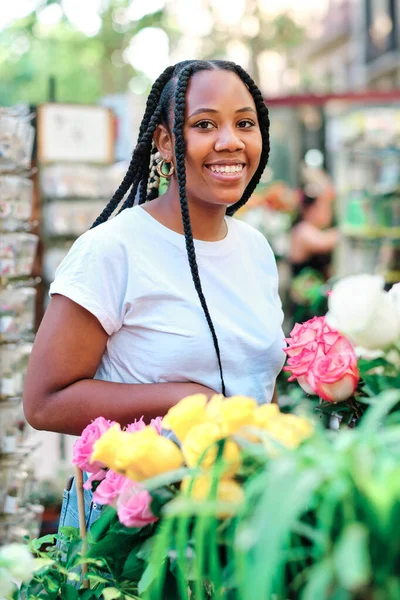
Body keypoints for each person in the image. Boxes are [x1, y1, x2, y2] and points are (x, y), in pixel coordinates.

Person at [23, 60, 286, 529]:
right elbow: (44, 403)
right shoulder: (112, 250)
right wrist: (187, 401)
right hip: (135, 533)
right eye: (204, 124)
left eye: (244, 123)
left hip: (241, 521)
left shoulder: (256, 249)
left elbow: (258, 391)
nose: (230, 141)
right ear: (164, 141)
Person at [289, 174, 339, 322]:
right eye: (324, 206)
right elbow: (326, 241)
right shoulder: (303, 231)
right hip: (306, 306)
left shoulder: (314, 230)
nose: (328, 212)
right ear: (311, 209)